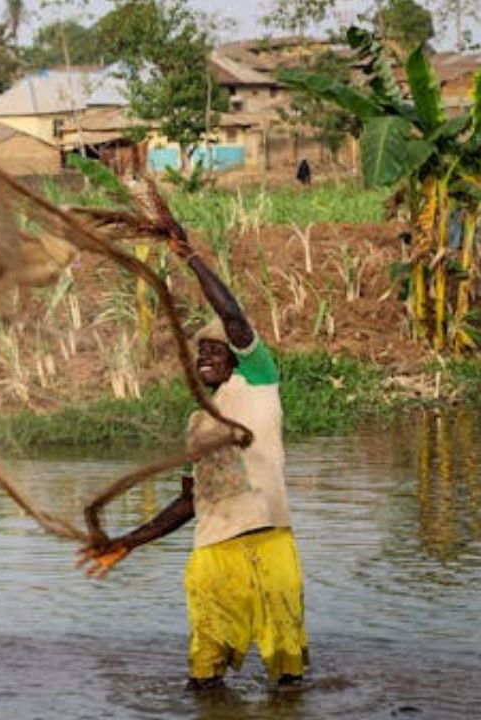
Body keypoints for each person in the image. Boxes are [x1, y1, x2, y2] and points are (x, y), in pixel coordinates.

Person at [76, 231, 308, 691]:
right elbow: (189, 503)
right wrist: (127, 542)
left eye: (215, 350)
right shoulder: (199, 422)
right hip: (212, 554)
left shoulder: (259, 383)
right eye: (200, 350)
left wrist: (192, 258)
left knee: (287, 670)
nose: (205, 356)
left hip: (270, 543)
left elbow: (233, 316)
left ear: (236, 358)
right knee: (204, 675)